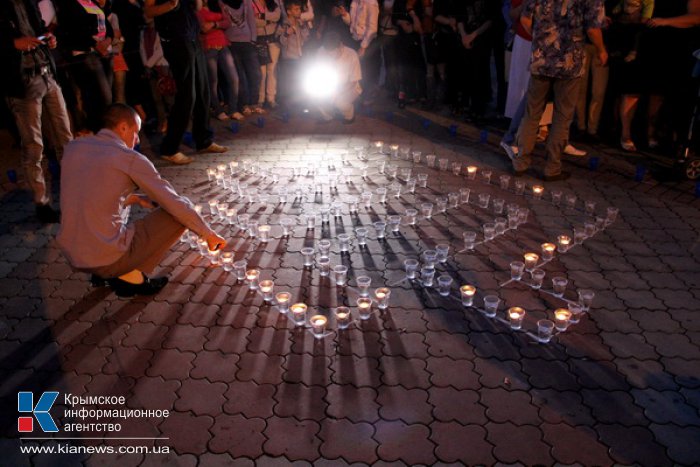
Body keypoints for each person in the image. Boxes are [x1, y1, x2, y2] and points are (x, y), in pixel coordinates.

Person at [57, 104, 227, 297]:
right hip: (105, 258)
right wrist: (208, 234)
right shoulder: (128, 158)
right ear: (123, 127)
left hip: (74, 255)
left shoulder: (74, 147)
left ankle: (102, 273)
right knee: (179, 212)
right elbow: (173, 202)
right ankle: (131, 278)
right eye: (136, 132)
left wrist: (136, 198)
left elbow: (91, 195)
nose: (137, 139)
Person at [511, 0, 607, 181]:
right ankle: (552, 167)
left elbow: (525, 18)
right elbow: (593, 29)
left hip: (542, 59)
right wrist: (602, 50)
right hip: (570, 63)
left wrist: (541, 37)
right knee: (562, 116)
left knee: (532, 113)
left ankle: (521, 162)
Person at [0, 0, 73, 224]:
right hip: (22, 81)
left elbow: (40, 27)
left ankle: (76, 190)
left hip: (46, 74)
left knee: (66, 137)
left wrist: (49, 38)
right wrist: (13, 43)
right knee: (34, 145)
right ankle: (41, 202)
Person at [144, 0, 228, 165]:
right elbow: (148, 11)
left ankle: (203, 140)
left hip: (192, 37)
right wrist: (170, 5)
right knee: (187, 95)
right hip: (175, 40)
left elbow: (195, 7)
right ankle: (170, 148)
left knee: (203, 91)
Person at [198, 0, 243, 121]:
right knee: (213, 81)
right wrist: (218, 24)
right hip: (208, 47)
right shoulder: (196, 8)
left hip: (223, 45)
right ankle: (218, 110)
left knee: (234, 78)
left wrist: (213, 24)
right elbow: (202, 28)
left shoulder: (217, 4)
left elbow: (228, 22)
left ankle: (233, 109)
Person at [315, 31, 362, 122]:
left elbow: (353, 81)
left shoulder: (352, 55)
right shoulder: (321, 52)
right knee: (314, 95)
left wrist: (337, 92)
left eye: (332, 53)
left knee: (339, 102)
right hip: (328, 86)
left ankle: (349, 116)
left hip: (349, 88)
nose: (330, 56)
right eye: (328, 53)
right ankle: (328, 116)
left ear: (340, 46)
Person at [277, 0, 311, 105]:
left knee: (299, 81)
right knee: (289, 83)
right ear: (289, 11)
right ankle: (287, 107)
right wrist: (287, 33)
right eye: (296, 9)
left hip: (299, 56)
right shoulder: (284, 24)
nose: (299, 11)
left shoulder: (300, 23)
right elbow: (280, 41)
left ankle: (298, 105)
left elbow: (306, 39)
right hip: (289, 58)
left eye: (299, 9)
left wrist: (304, 27)